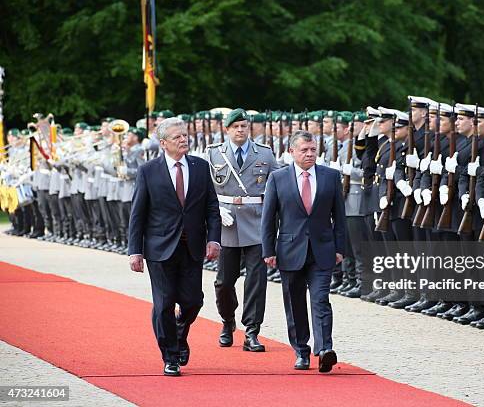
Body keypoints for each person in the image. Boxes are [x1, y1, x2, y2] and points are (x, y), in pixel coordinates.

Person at [128, 117, 221, 377]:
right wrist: (135, 250)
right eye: (177, 136)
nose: (184, 139)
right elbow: (138, 213)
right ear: (163, 143)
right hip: (159, 248)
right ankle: (170, 356)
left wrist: (214, 239)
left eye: (185, 135)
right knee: (164, 302)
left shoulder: (201, 167)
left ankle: (179, 332)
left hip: (192, 247)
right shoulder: (149, 170)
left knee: (193, 301)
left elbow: (212, 208)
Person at [261, 130, 346, 373]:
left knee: (321, 299)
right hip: (289, 250)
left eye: (313, 150)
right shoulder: (278, 178)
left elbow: (339, 216)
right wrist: (268, 250)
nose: (310, 154)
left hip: (322, 250)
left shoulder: (330, 176)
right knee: (295, 303)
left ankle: (325, 349)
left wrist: (340, 248)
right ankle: (301, 350)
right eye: (304, 150)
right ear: (292, 152)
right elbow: (269, 219)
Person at [205, 108, 278, 351]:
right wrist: (216, 210)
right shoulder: (214, 154)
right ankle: (227, 321)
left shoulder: (265, 154)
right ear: (226, 130)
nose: (240, 130)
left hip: (256, 223)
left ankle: (252, 331)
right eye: (235, 127)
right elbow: (204, 191)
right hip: (226, 224)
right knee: (224, 282)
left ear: (250, 128)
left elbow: (277, 187)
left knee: (256, 281)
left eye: (244, 126)